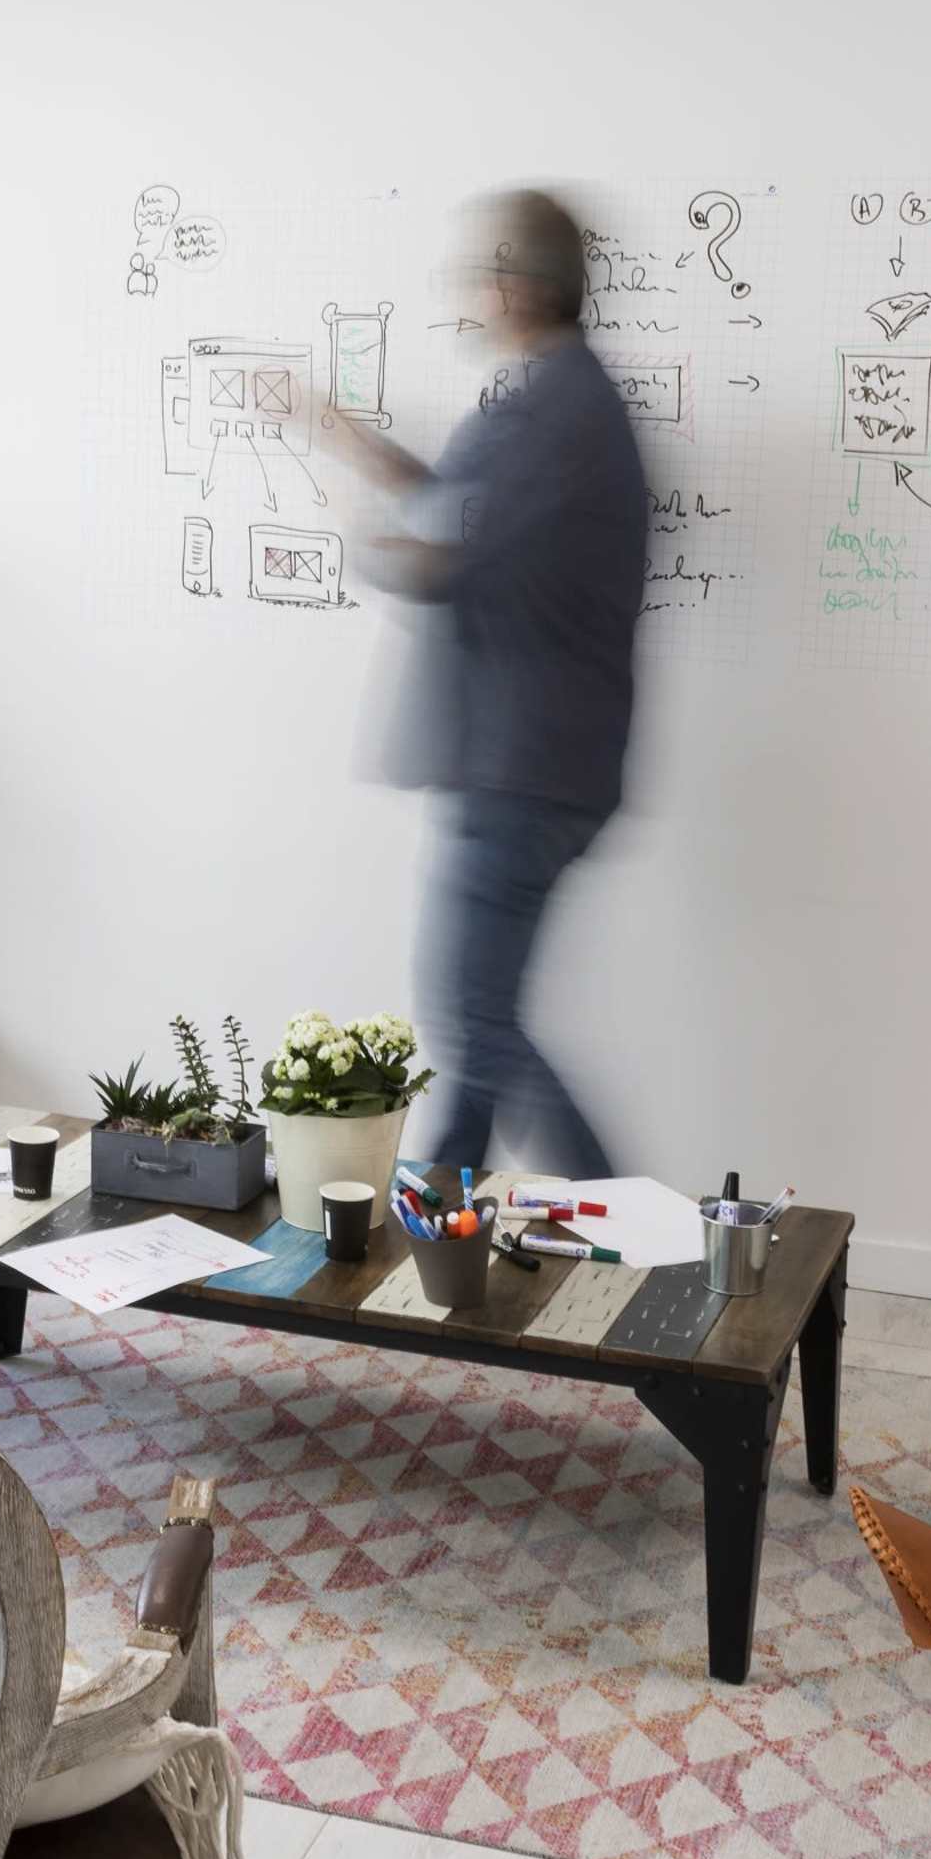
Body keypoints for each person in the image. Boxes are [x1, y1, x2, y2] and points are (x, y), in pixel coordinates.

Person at [322, 187, 648, 1179]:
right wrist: (351, 443)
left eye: (478, 274)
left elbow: (448, 558)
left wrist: (361, 541)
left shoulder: (554, 412)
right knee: (481, 1025)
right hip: (537, 763)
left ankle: (645, 1246)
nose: (470, 294)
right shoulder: (558, 402)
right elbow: (462, 507)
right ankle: (439, 1239)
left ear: (514, 284)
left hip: (518, 767)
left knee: (470, 1025)